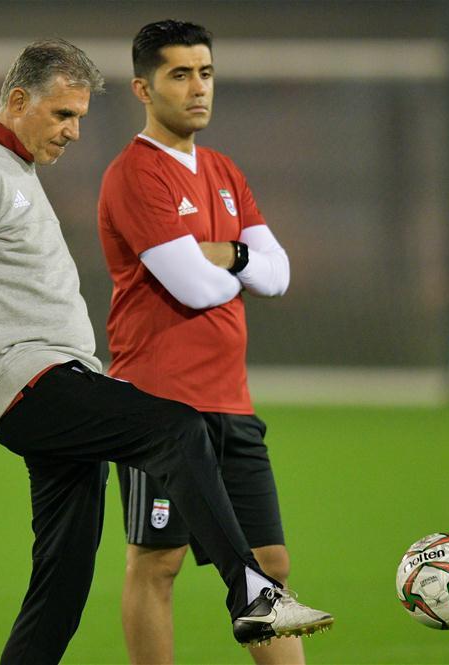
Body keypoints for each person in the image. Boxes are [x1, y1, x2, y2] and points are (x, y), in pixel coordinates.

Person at [0, 38, 332, 665]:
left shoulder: (12, 170)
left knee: (63, 587)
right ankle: (252, 595)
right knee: (177, 429)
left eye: (79, 117)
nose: (75, 132)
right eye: (62, 115)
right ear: (18, 100)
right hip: (32, 383)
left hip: (52, 382)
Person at [98, 21, 328, 665]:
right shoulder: (135, 176)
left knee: (271, 563)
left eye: (205, 73)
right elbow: (194, 289)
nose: (198, 88)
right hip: (159, 407)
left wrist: (221, 252)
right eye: (179, 74)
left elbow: (278, 276)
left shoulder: (224, 170)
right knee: (158, 564)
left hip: (231, 401)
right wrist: (241, 259)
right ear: (143, 88)